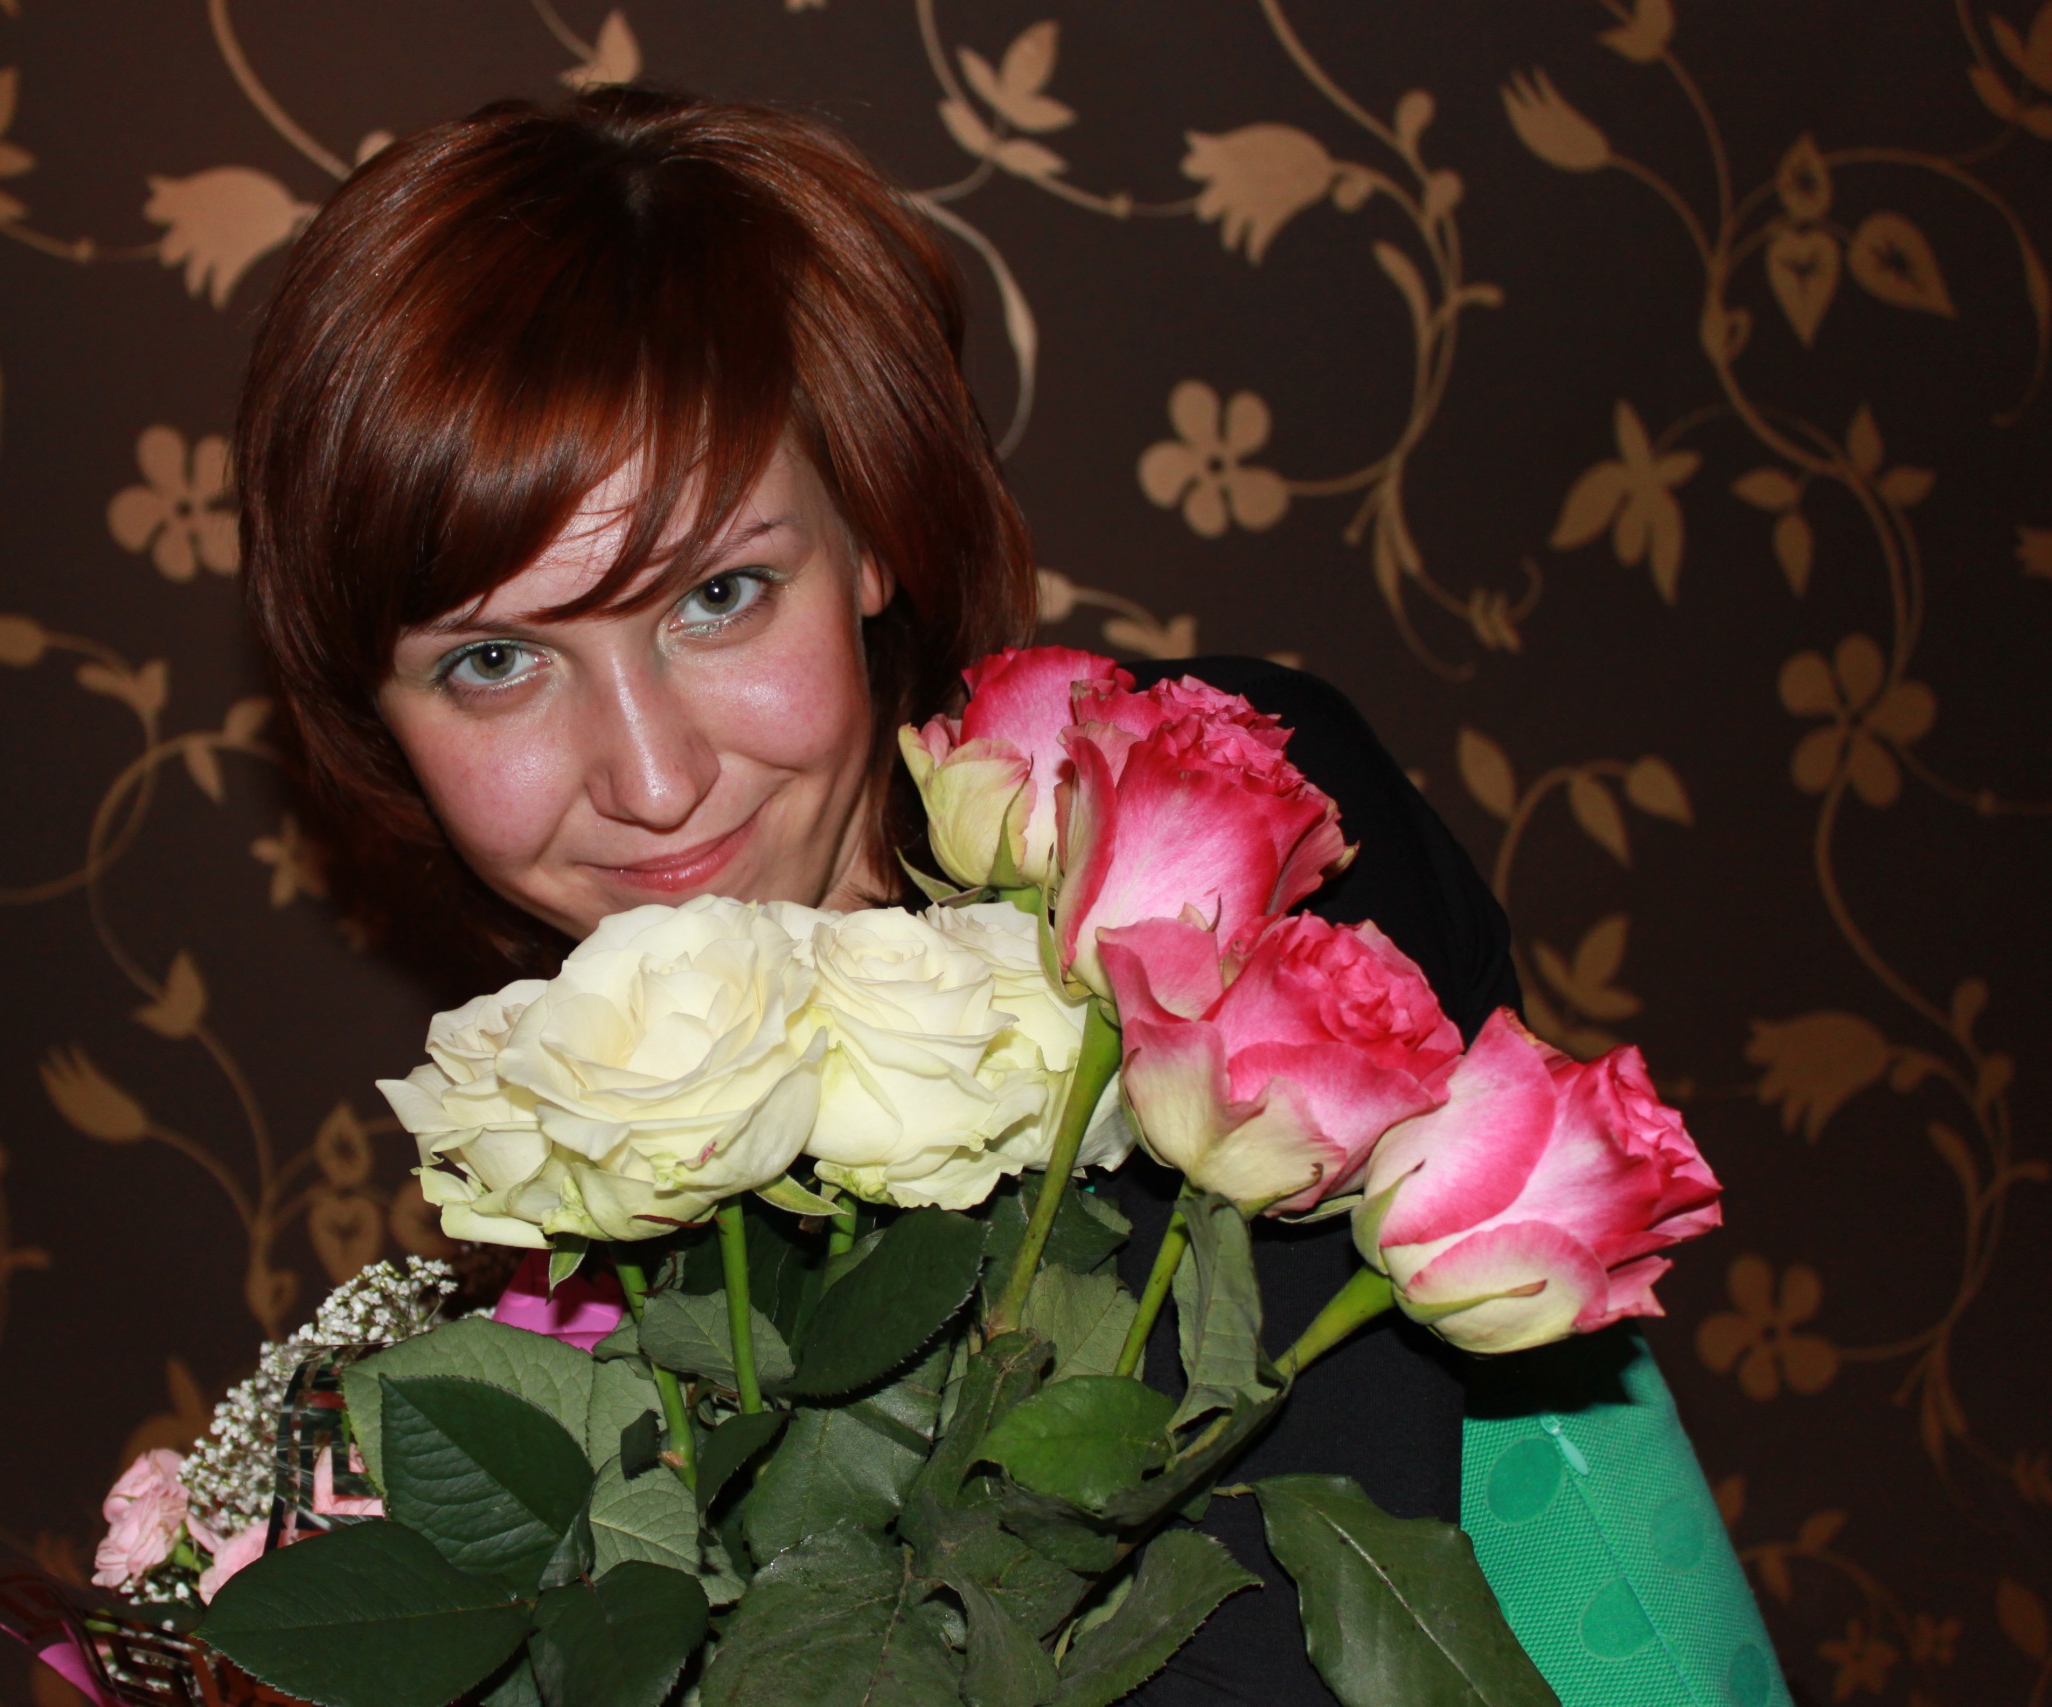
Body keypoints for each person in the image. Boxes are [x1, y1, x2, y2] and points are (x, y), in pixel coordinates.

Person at [234, 86, 1785, 1707]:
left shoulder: (1215, 837)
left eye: (720, 594)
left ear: (871, 534)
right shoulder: (576, 1257)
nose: (650, 776)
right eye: (493, 661)